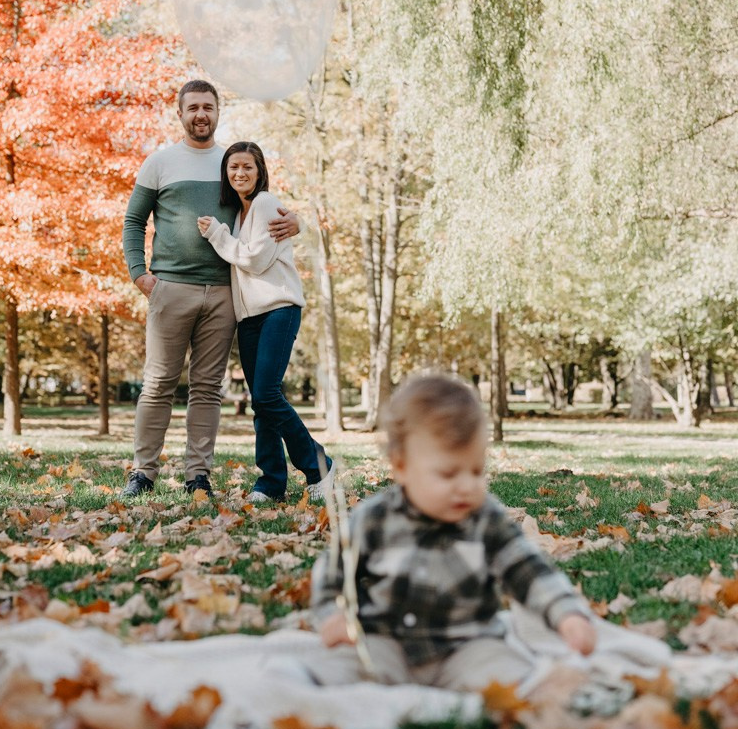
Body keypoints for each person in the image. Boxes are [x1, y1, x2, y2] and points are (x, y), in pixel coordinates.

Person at [304, 372, 596, 690]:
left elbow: (529, 570)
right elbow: (332, 572)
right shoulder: (374, 518)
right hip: (387, 639)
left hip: (467, 644)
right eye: (448, 473)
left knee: (510, 680)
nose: (467, 486)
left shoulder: (486, 519)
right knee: (345, 674)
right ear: (401, 467)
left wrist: (567, 614)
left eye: (476, 470)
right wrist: (332, 615)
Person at [121, 81, 299, 499]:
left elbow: (268, 207)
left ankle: (197, 475)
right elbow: (133, 221)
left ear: (218, 111)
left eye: (208, 107)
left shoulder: (231, 163)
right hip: (170, 287)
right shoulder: (160, 162)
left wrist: (299, 222)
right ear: (179, 113)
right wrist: (140, 275)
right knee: (158, 383)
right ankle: (143, 472)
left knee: (206, 388)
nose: (200, 114)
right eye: (193, 108)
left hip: (224, 293)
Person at [197, 141, 334, 505]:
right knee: (261, 402)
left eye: (247, 167)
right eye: (233, 168)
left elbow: (255, 261)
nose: (239, 173)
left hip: (278, 308)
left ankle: (319, 466)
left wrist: (216, 235)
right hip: (250, 318)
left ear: (259, 171)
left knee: (267, 395)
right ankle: (271, 481)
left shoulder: (265, 203)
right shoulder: (240, 214)